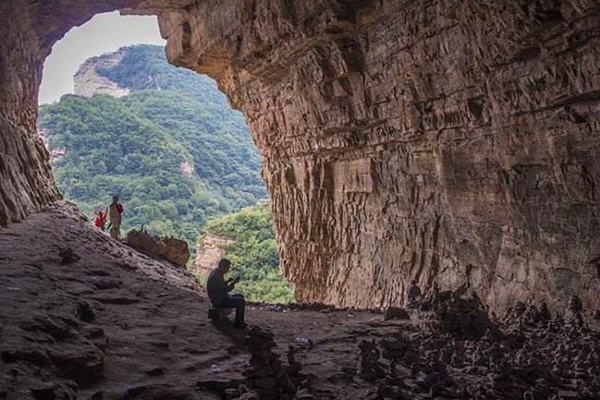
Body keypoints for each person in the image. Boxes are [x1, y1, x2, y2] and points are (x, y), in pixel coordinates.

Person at [207, 258, 246, 328]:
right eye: (227, 267)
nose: (228, 270)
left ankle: (239, 321)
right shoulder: (216, 276)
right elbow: (225, 290)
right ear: (222, 266)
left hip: (218, 297)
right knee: (241, 301)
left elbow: (219, 287)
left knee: (240, 296)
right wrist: (233, 283)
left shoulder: (216, 273)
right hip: (218, 300)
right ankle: (239, 323)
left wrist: (227, 281)